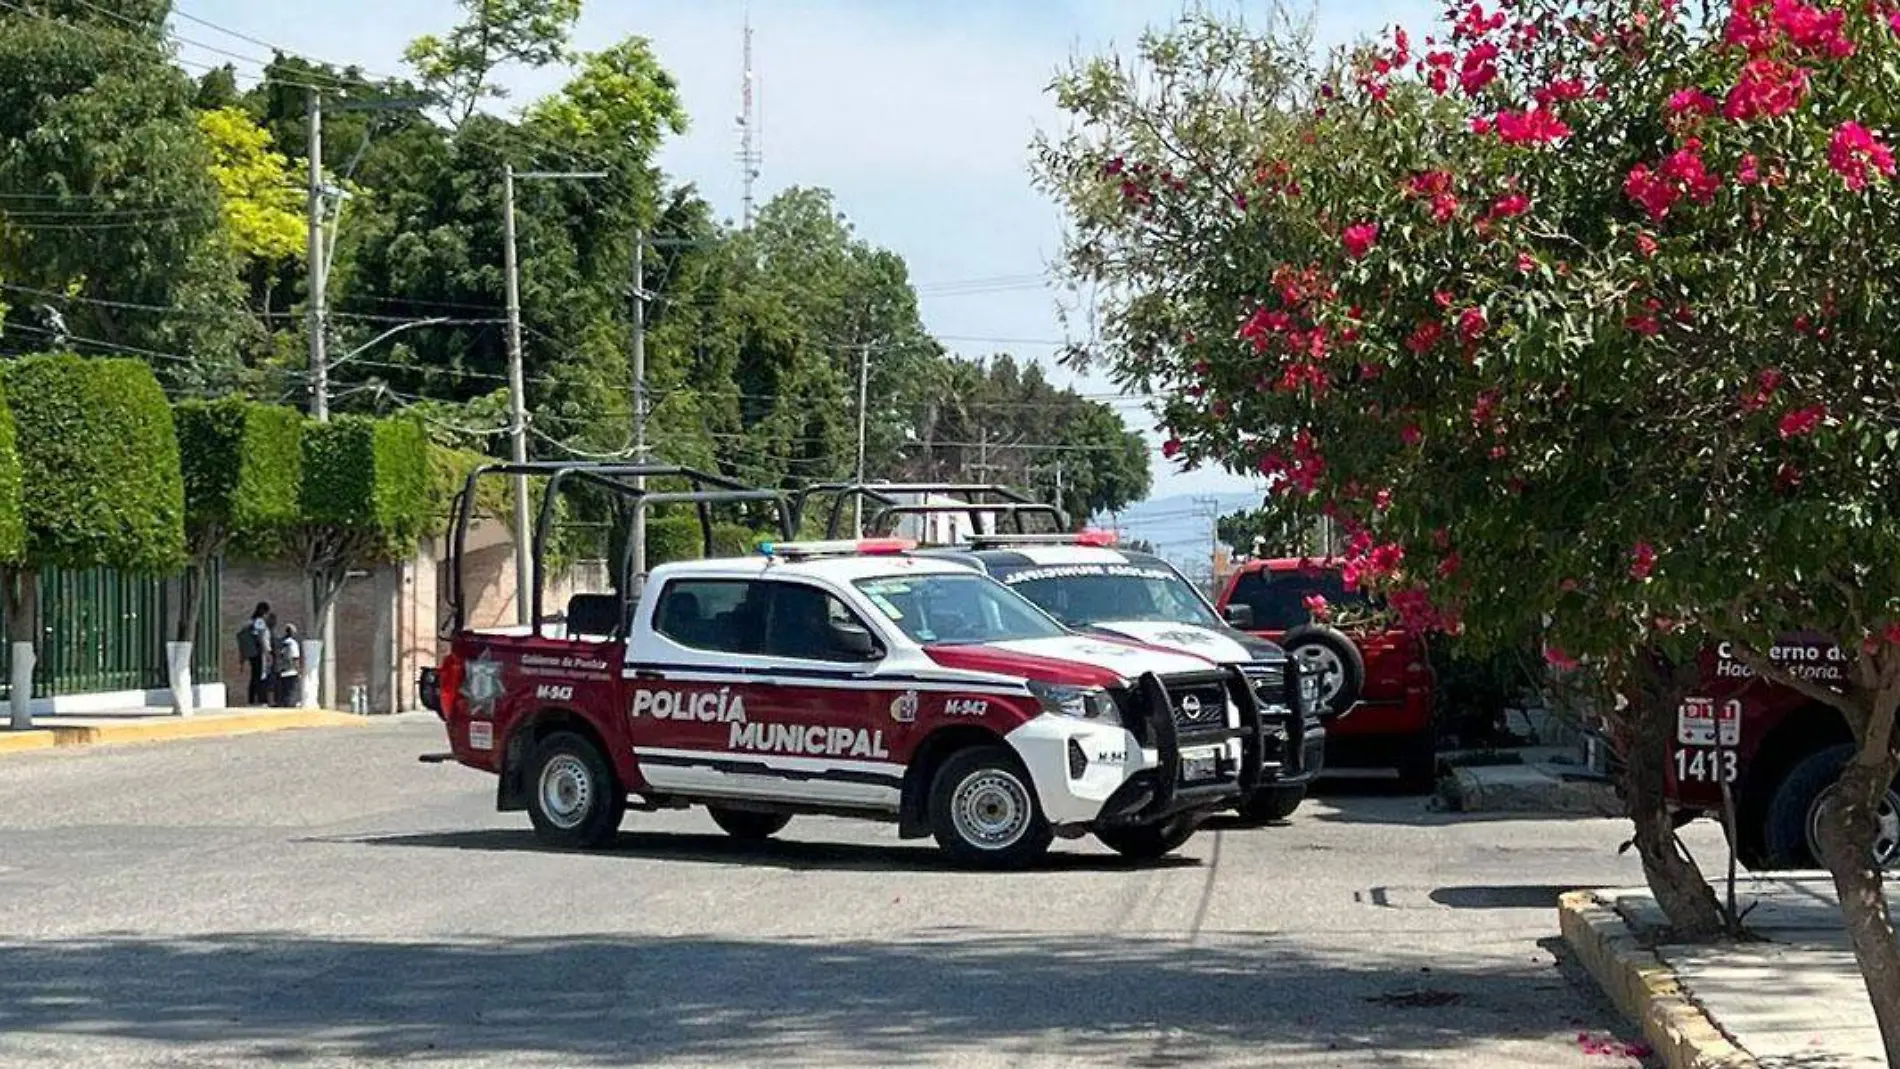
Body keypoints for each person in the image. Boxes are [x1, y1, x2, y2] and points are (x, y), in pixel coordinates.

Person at [239, 603, 271, 706]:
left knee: (254, 675)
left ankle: (252, 699)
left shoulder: (250, 622)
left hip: (252, 653)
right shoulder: (260, 622)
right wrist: (267, 652)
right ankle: (260, 699)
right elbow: (262, 638)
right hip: (258, 652)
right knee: (260, 676)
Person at [274, 625, 302, 707]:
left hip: (282, 672)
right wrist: (298, 671)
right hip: (291, 671)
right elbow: (295, 658)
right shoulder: (293, 643)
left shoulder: (281, 643)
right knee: (291, 693)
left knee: (284, 693)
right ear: (292, 633)